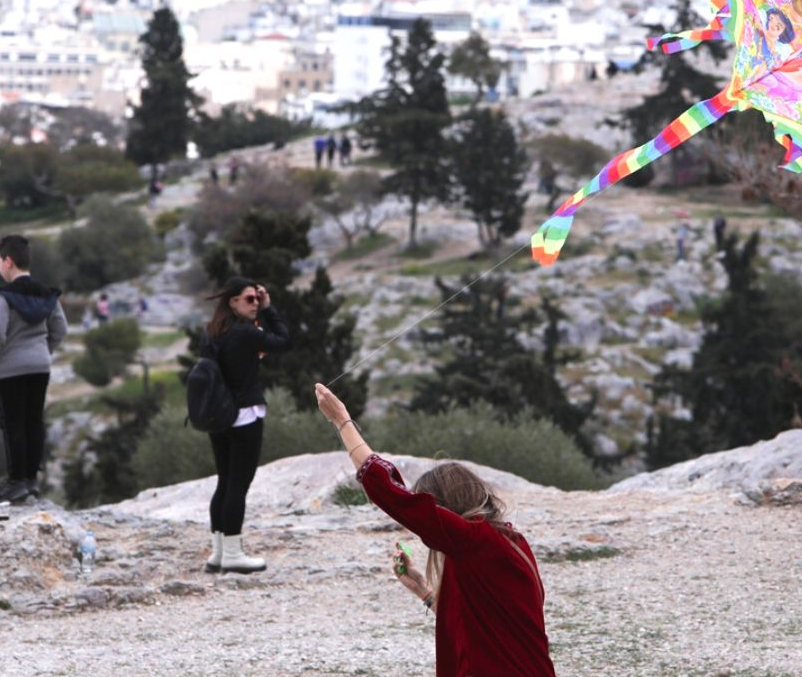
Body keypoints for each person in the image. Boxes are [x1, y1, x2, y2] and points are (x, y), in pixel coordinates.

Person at [313, 383, 557, 677]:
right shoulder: (503, 543)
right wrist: (424, 591)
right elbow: (485, 624)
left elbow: (393, 493)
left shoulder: (474, 541)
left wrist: (342, 422)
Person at [200, 277, 291, 573]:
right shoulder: (244, 334)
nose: (254, 304)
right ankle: (234, 554)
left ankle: (218, 553)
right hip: (245, 416)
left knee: (225, 481)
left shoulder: (212, 333)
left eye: (257, 299)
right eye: (249, 299)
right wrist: (269, 309)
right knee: (238, 485)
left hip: (218, 415)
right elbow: (283, 341)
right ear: (233, 302)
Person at [0, 235, 68, 503]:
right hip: (39, 367)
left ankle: (15, 483)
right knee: (33, 421)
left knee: (12, 423)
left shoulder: (2, 298)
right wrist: (42, 352)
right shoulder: (48, 295)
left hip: (9, 371)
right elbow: (61, 329)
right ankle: (31, 480)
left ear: (8, 261)